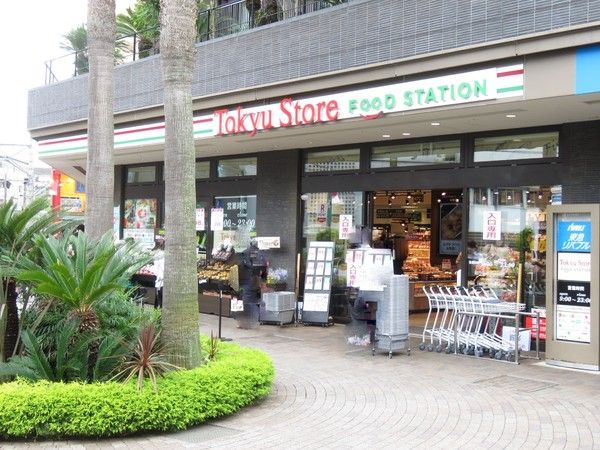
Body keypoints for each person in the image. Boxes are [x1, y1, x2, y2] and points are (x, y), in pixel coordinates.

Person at [152, 236, 165, 308]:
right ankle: (159, 309)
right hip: (161, 276)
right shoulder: (160, 252)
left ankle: (156, 309)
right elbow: (161, 266)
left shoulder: (156, 251)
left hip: (159, 276)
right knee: (160, 294)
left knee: (158, 294)